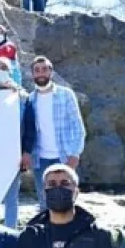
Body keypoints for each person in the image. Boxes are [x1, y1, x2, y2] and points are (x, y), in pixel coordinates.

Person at [0, 58, 35, 229]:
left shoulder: (22, 96)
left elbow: (29, 126)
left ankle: (11, 232)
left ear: (10, 71)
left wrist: (26, 151)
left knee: (12, 197)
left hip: (13, 153)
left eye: (3, 67)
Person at [29, 56, 85, 210]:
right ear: (32, 74)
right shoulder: (30, 99)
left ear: (51, 73)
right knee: (44, 202)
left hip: (64, 156)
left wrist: (75, 154)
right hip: (40, 160)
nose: (41, 73)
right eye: (37, 70)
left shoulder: (66, 94)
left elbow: (78, 126)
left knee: (67, 200)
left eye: (45, 69)